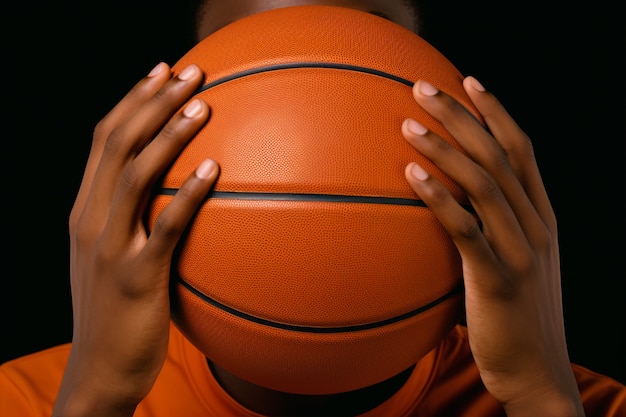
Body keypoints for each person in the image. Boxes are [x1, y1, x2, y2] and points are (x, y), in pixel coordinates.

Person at [1, 1, 625, 416]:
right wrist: (98, 395)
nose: (313, 149)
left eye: (368, 57)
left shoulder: (586, 406)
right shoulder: (26, 400)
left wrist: (541, 396)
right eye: (256, 62)